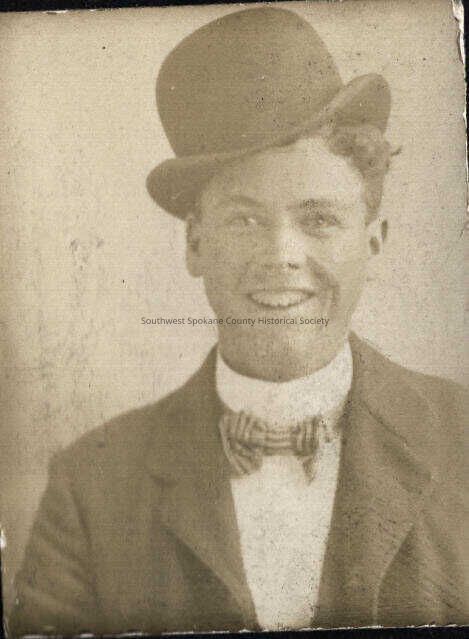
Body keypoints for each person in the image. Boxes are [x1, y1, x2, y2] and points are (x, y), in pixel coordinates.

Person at [9, 6, 468, 636]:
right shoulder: (89, 486)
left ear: (374, 241)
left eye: (319, 219)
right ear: (195, 245)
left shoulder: (462, 438)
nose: (281, 256)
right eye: (245, 220)